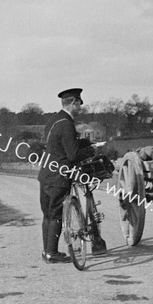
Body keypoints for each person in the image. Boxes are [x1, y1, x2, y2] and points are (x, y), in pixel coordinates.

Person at [38, 88, 107, 264]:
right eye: (79, 104)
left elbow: (63, 142)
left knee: (47, 215)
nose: (80, 107)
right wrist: (93, 149)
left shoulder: (54, 119)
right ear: (73, 103)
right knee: (55, 216)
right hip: (59, 177)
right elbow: (73, 154)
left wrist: (86, 141)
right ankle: (52, 253)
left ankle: (46, 252)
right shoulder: (67, 123)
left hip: (46, 174)